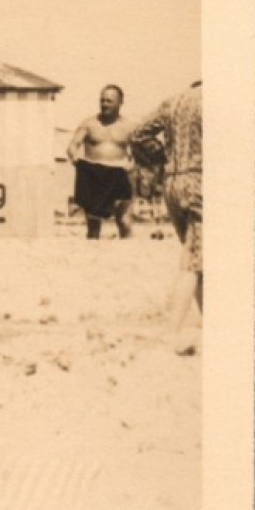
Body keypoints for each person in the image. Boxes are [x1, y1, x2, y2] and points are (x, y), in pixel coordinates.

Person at [130, 81, 202, 353]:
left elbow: (138, 134)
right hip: (201, 182)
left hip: (173, 182)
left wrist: (164, 158)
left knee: (197, 257)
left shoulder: (175, 100)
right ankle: (170, 331)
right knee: (193, 262)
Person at [67, 85, 136, 240]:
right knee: (93, 225)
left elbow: (139, 152)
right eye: (102, 100)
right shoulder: (89, 124)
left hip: (119, 173)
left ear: (120, 102)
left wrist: (133, 163)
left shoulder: (130, 127)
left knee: (124, 221)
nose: (104, 104)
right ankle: (93, 260)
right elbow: (73, 145)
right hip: (93, 176)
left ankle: (128, 256)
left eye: (109, 101)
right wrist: (74, 157)